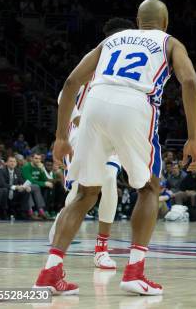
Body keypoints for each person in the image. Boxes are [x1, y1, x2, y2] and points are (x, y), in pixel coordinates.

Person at [33, 0, 196, 296]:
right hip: (135, 104)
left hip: (94, 105)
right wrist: (193, 137)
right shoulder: (170, 42)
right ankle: (135, 271)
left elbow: (71, 82)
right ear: (165, 23)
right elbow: (189, 82)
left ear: (137, 21)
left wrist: (60, 136)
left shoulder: (112, 39)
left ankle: (50, 271)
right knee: (148, 187)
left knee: (85, 193)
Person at [48, 17, 136, 270]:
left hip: (115, 129)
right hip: (82, 130)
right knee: (80, 191)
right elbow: (65, 91)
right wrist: (75, 117)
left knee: (108, 178)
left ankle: (101, 249)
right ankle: (61, 229)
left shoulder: (136, 62)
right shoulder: (96, 57)